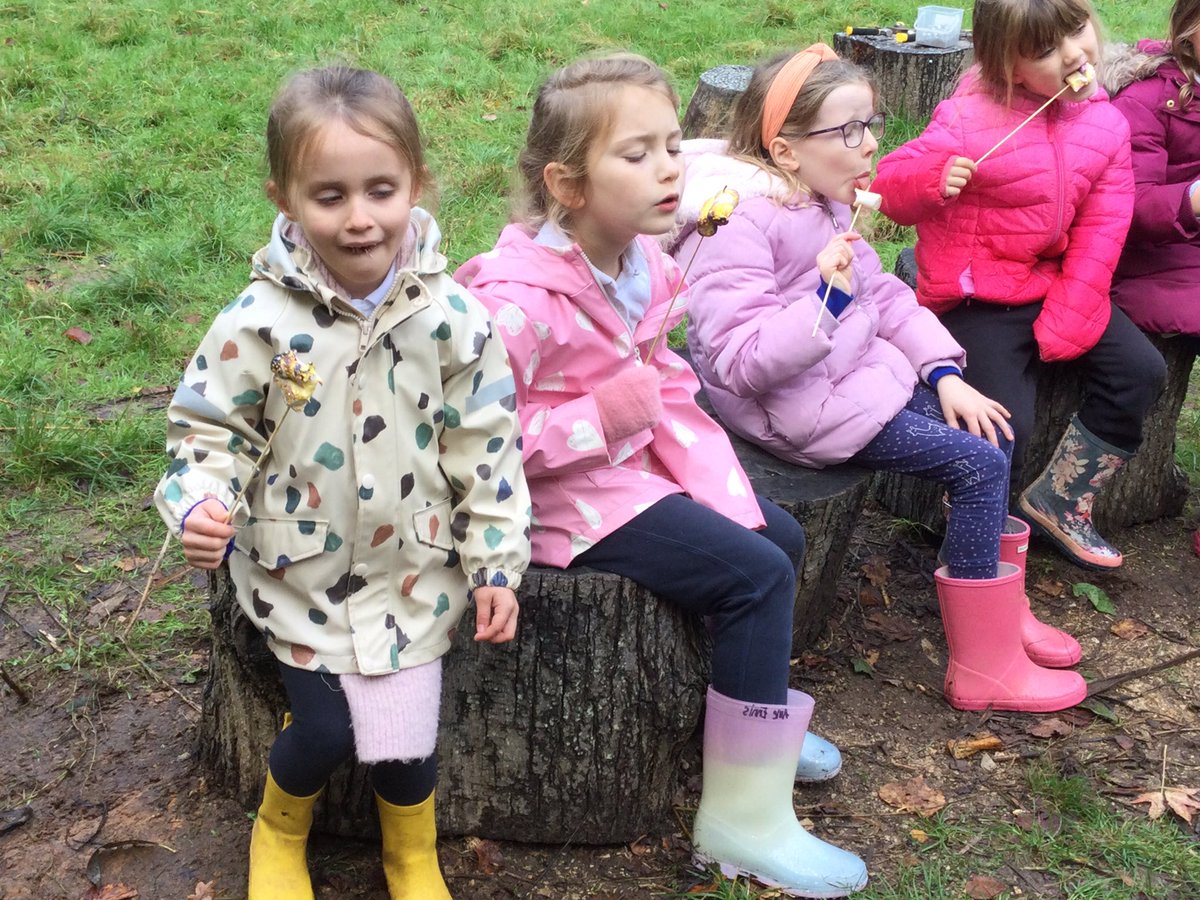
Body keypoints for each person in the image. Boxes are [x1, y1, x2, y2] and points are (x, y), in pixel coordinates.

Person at [455, 52, 868, 897]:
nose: (670, 168)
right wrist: (603, 418)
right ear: (567, 185)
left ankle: (752, 724)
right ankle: (742, 823)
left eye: (674, 145)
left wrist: (699, 457)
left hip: (628, 472)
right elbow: (471, 443)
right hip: (555, 502)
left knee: (779, 537)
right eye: (636, 153)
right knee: (754, 576)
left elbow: (660, 378)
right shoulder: (515, 304)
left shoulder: (644, 262)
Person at [153, 66, 531, 899]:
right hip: (301, 572)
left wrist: (496, 564)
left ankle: (411, 855)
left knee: (408, 741)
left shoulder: (454, 320)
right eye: (330, 196)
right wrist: (201, 502)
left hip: (414, 572)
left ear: (415, 184)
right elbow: (209, 429)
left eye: (380, 191)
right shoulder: (259, 323)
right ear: (285, 199)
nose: (359, 218)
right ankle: (279, 833)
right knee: (323, 728)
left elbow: (488, 449)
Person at [674, 45, 1085, 716]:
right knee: (979, 463)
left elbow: (887, 298)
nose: (870, 145)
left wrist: (943, 372)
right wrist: (827, 302)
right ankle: (982, 664)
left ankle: (1000, 608)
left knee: (991, 427)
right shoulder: (737, 225)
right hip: (801, 409)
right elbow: (741, 363)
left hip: (856, 380)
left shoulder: (825, 202)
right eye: (848, 131)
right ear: (785, 151)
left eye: (871, 124)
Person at [873, 0, 1167, 572]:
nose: (1074, 54)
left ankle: (1062, 497)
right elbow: (888, 187)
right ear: (1007, 66)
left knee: (1141, 371)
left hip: (1054, 283)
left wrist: (1073, 309)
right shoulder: (967, 118)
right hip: (977, 293)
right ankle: (975, 539)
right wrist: (933, 179)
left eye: (1077, 31)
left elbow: (1104, 226)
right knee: (1005, 422)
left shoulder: (1106, 124)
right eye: (1046, 51)